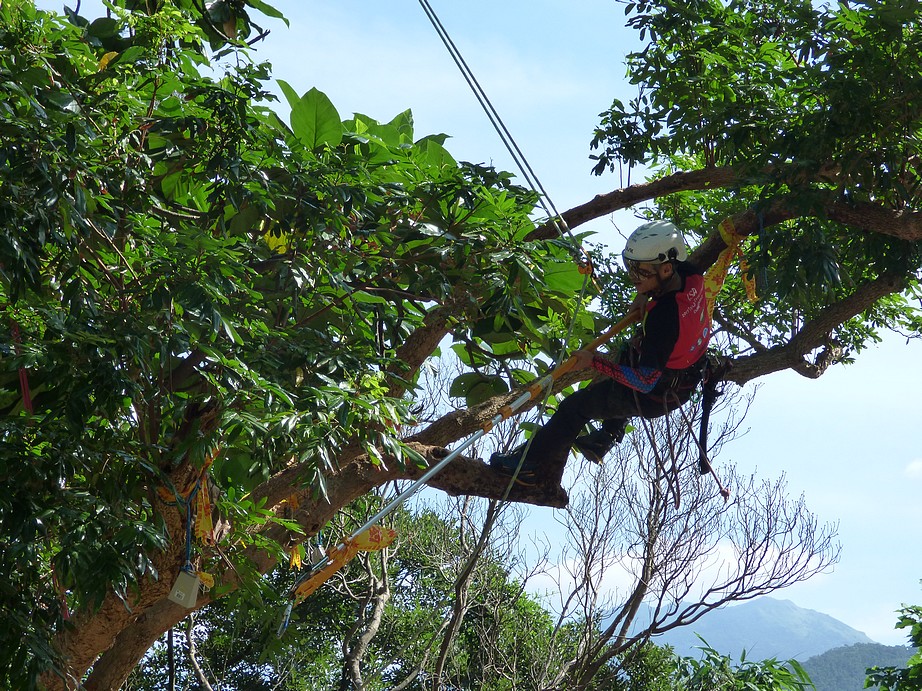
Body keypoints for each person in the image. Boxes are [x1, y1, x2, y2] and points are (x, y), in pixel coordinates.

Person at [490, 220, 711, 485]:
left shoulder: (664, 318)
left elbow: (644, 381)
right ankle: (604, 438)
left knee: (574, 407)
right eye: (630, 268)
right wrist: (647, 293)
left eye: (641, 272)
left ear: (665, 269)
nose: (633, 277)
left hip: (657, 394)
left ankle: (531, 466)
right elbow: (668, 293)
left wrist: (593, 362)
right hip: (686, 372)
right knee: (628, 352)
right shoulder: (688, 273)